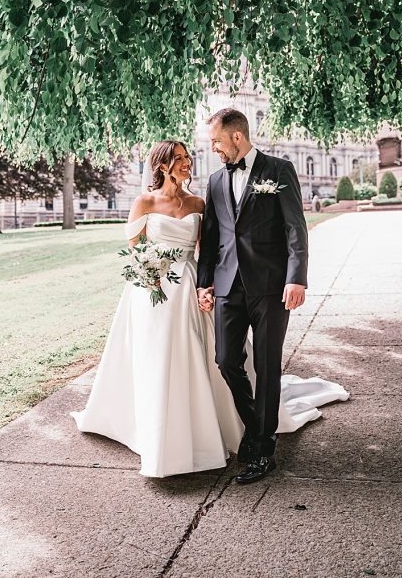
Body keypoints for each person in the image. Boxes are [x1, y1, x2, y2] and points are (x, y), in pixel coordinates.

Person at [73, 140, 347, 478]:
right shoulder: (144, 202)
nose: (189, 163)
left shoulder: (198, 201)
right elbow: (136, 249)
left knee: (211, 357)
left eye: (189, 157)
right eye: (180, 159)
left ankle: (229, 428)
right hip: (151, 290)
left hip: (190, 286)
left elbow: (209, 248)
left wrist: (207, 285)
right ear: (162, 166)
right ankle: (159, 429)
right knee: (157, 358)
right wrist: (151, 273)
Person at [197, 108, 321, 485]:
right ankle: (256, 425)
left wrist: (296, 278)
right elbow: (213, 237)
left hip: (270, 286)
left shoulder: (279, 170)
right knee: (226, 361)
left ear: (237, 137)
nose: (214, 148)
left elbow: (295, 228)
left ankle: (264, 449)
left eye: (217, 141)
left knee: (267, 366)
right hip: (227, 287)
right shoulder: (216, 180)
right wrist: (205, 283)